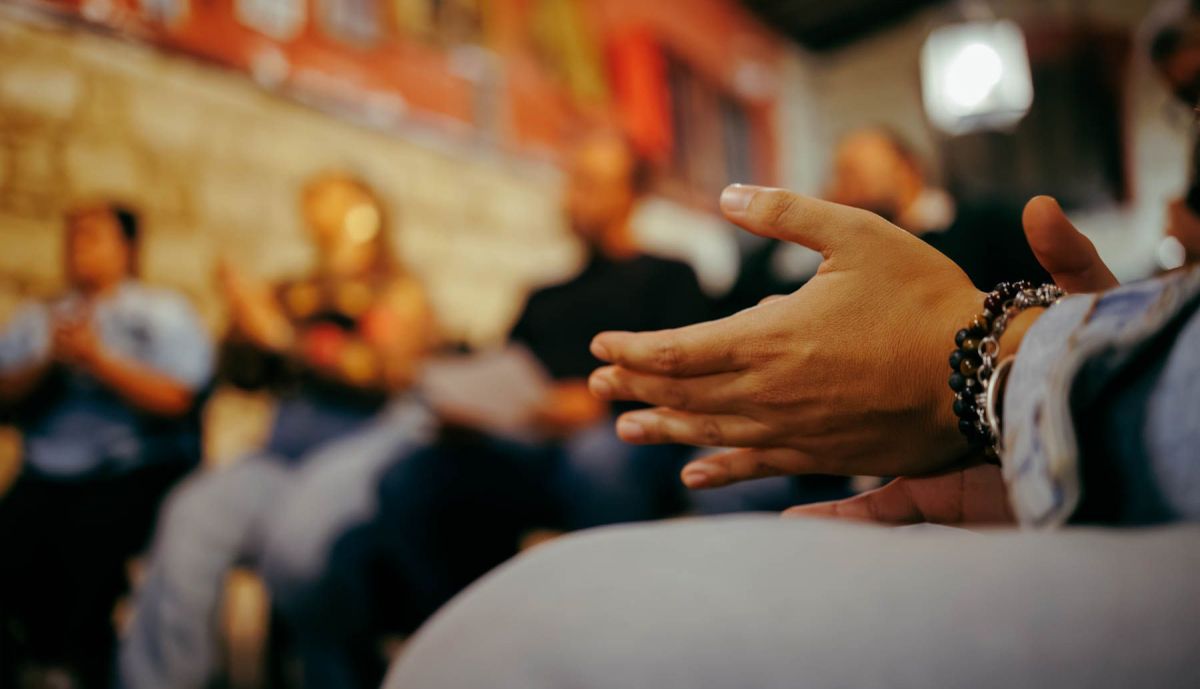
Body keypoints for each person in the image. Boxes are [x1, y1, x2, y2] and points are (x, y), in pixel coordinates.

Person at [383, 186, 1199, 689]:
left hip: (597, 429)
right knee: (410, 477)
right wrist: (1079, 374)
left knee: (499, 650)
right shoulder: (541, 289)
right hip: (1099, 434)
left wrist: (1001, 364)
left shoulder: (664, 270)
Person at [119, 173, 434, 689]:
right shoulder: (297, 287)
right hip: (283, 451)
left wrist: (283, 336)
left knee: (300, 546)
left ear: (365, 210)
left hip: (362, 448)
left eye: (329, 194)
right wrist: (241, 325)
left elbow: (387, 371)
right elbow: (243, 377)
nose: (312, 203)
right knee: (190, 516)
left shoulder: (399, 289)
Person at [0, 203, 214, 689]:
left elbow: (179, 397)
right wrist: (49, 362)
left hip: (132, 466)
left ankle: (75, 665)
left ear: (128, 249)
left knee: (85, 547)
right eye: (73, 237)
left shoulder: (162, 312)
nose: (78, 249)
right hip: (47, 471)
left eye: (93, 237)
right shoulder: (41, 318)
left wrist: (99, 359)